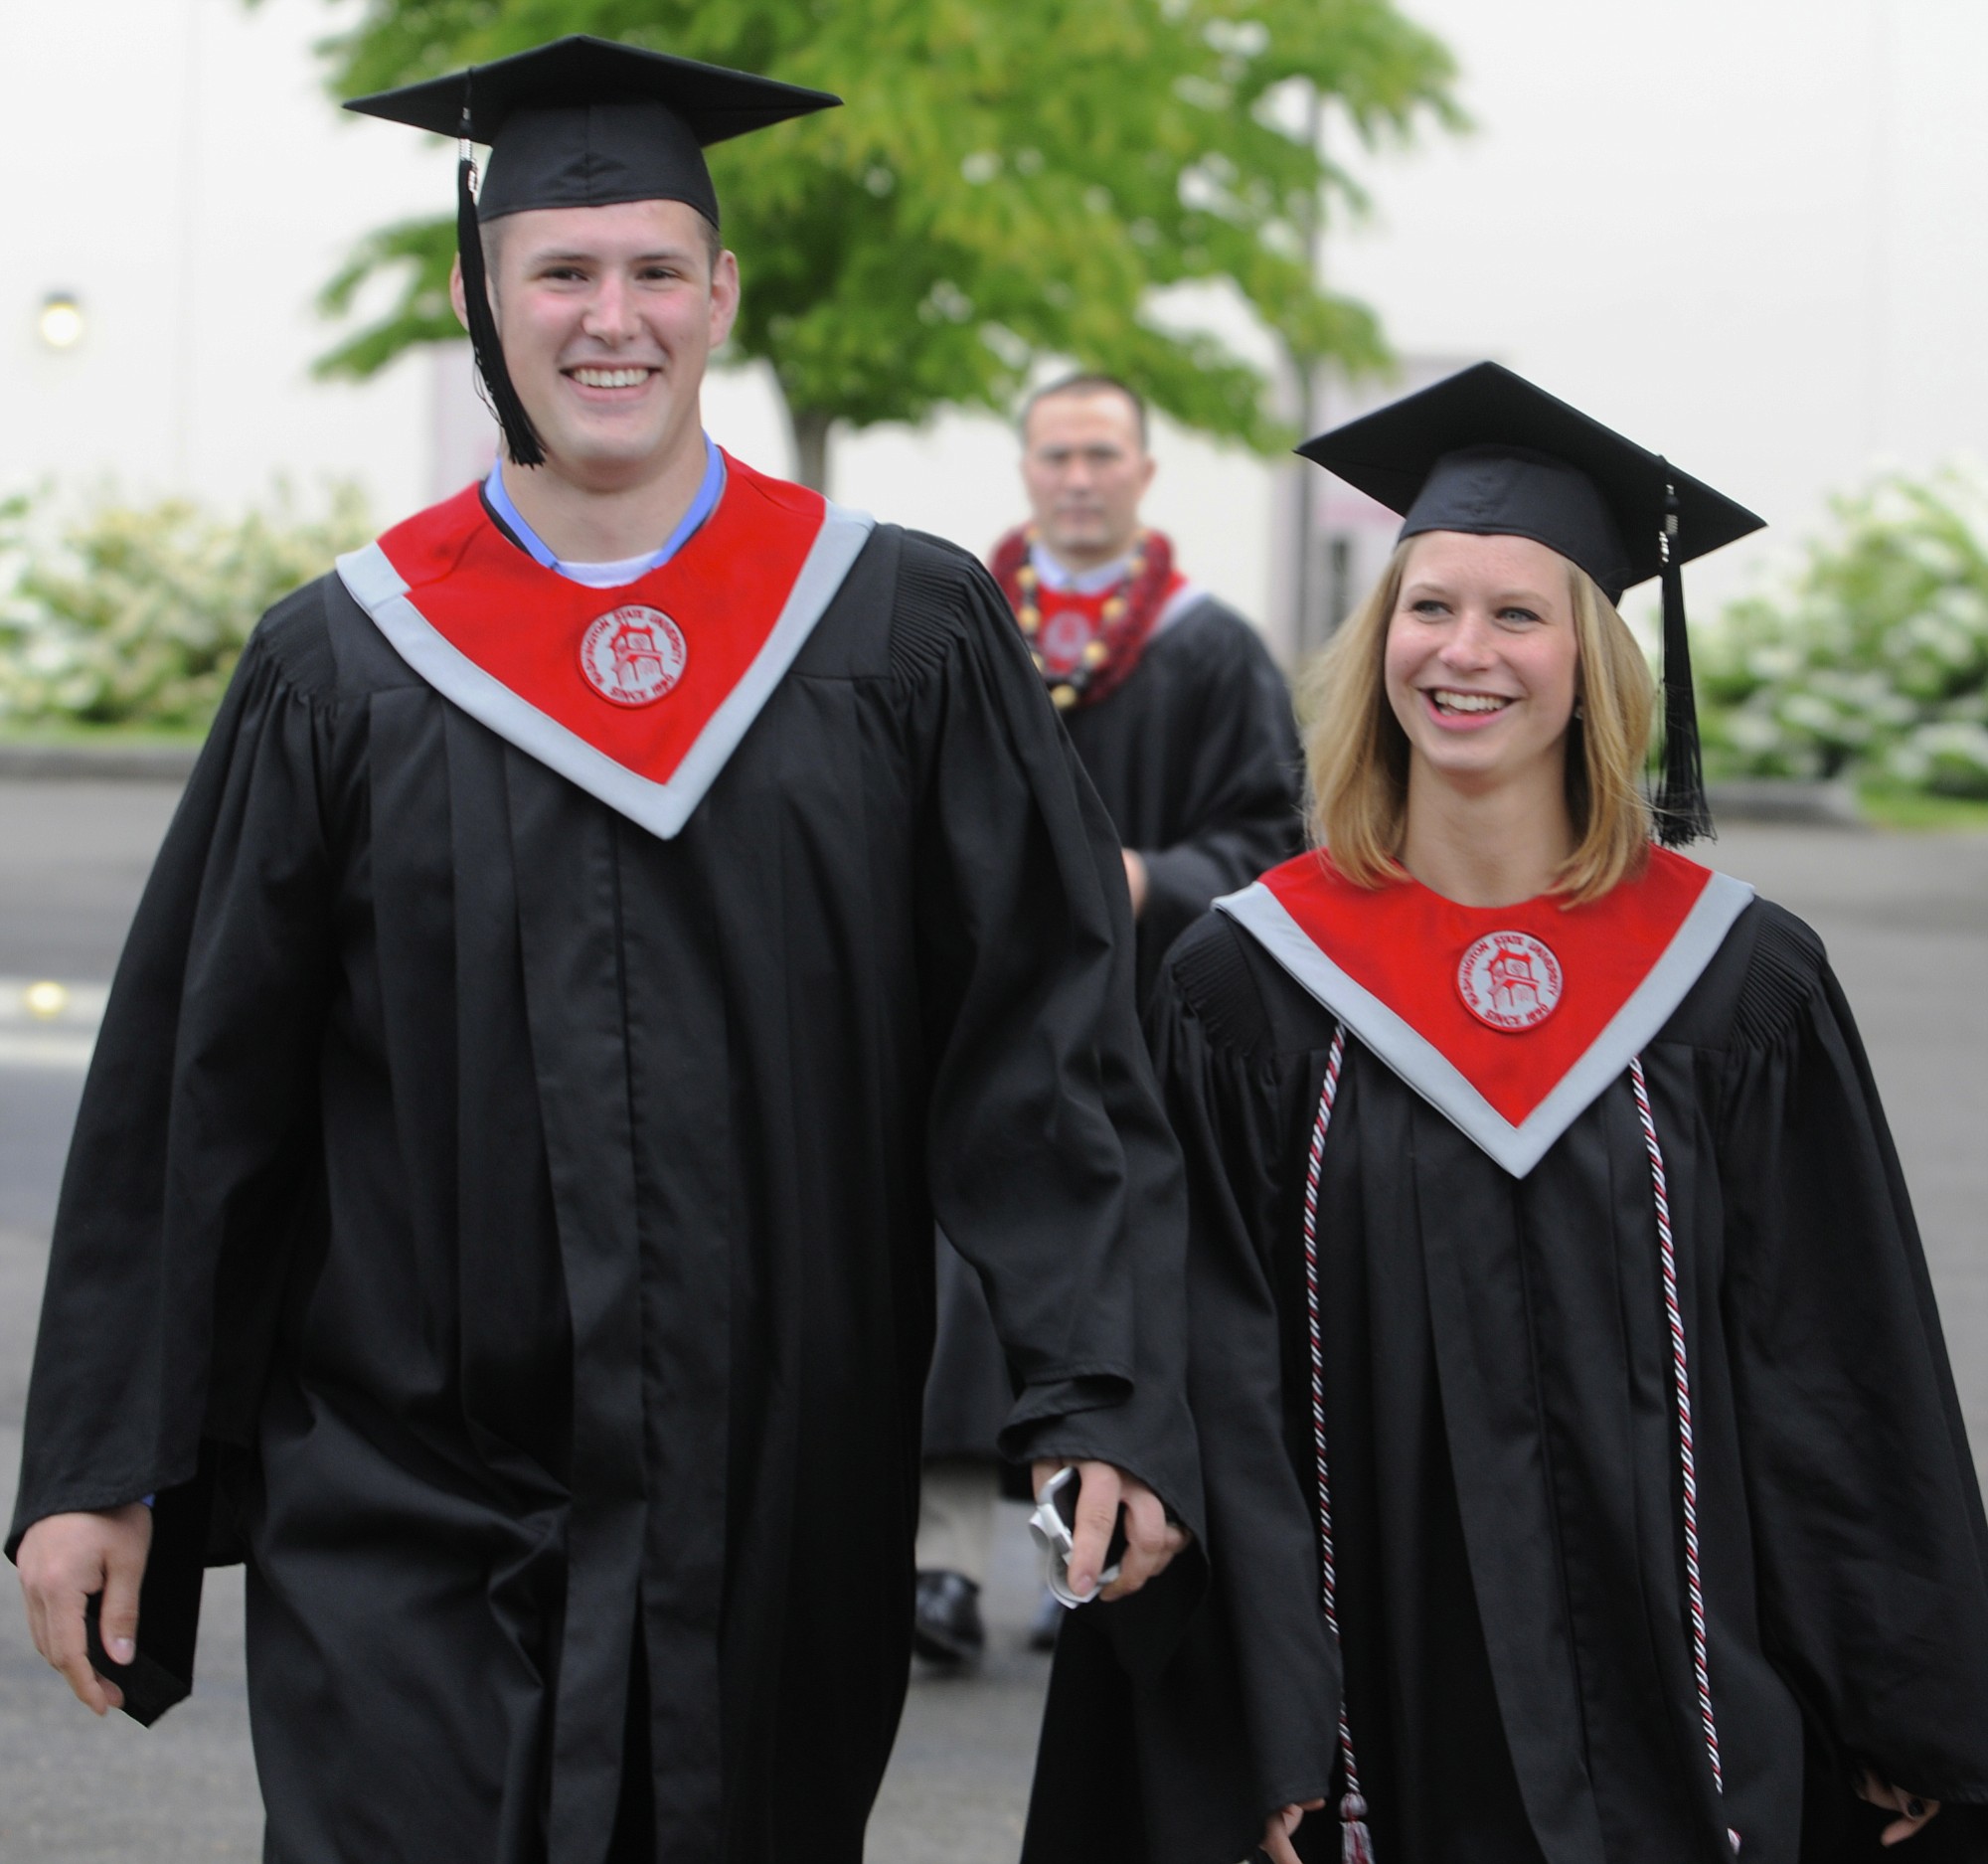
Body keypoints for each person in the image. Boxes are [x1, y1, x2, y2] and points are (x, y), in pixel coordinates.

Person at [8, 36, 1197, 1864]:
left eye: (655, 269)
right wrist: (102, 1465)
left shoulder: (897, 634)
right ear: (486, 299)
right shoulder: (349, 661)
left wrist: (1093, 1384)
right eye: (561, 270)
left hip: (778, 1501)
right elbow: (197, 1090)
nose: (609, 317)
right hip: (411, 1508)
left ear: (722, 294)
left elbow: (1042, 1036)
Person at [1023, 363, 1988, 1863]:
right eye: (1429, 607)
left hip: (1688, 1718)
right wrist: (1270, 1709)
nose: (1464, 654)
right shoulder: (1250, 987)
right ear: (1379, 638)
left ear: (1597, 659)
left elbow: (1835, 1359)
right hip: (1374, 1723)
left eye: (1519, 615)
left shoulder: (1735, 986)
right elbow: (1210, 1355)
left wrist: (1899, 1693)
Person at [914, 374, 1300, 1664]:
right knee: (962, 1284)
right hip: (984, 1022)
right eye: (1056, 455)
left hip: (1149, 1021)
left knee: (1131, 1280)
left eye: (1102, 455)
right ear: (1025, 470)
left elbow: (1270, 840)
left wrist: (1141, 880)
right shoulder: (957, 633)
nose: (1078, 477)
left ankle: (1091, 1561)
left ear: (1144, 472)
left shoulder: (1209, 648)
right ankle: (944, 1567)